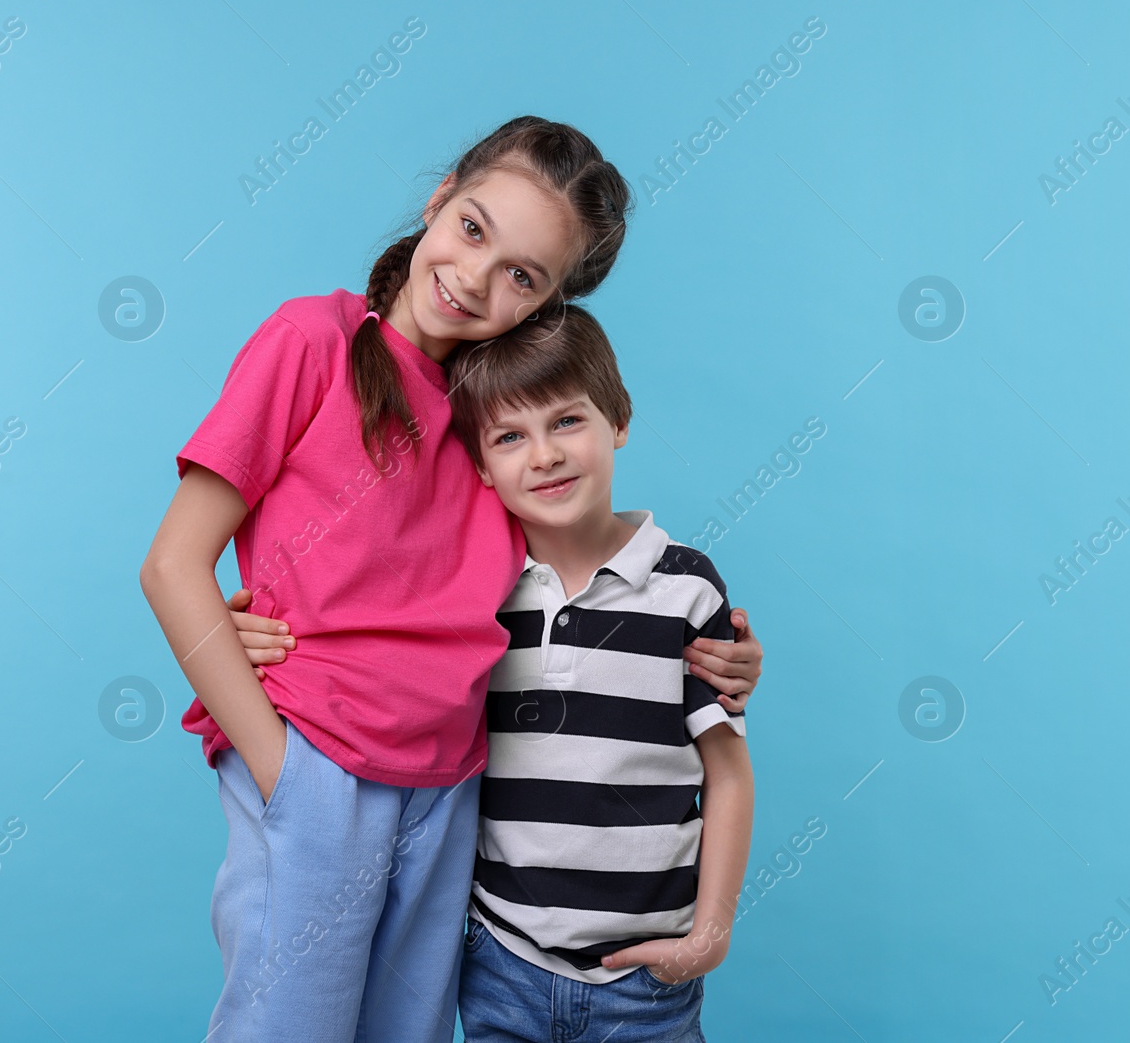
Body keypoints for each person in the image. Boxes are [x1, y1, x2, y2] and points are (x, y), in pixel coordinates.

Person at [140, 116, 763, 1043]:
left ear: (546, 308)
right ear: (439, 200)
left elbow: (579, 563)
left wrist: (712, 638)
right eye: (474, 228)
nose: (476, 277)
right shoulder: (313, 340)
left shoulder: (492, 422)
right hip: (320, 770)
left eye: (523, 275)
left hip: (452, 792)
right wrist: (283, 770)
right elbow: (171, 564)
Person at [235, 305, 755, 1042]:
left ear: (620, 420)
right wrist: (236, 625)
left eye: (567, 421)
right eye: (510, 437)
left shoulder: (688, 590)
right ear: (480, 463)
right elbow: (369, 636)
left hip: (645, 984)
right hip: (501, 965)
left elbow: (728, 771)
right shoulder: (476, 593)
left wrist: (709, 935)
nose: (543, 455)